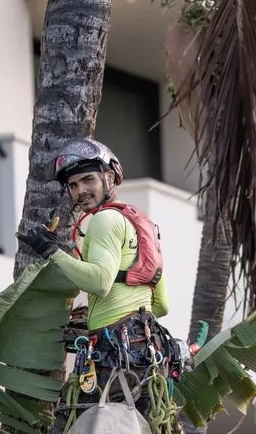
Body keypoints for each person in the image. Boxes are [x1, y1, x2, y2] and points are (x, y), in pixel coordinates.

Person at [18, 139, 187, 412]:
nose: (80, 191)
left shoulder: (104, 220)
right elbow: (161, 306)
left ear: (110, 177)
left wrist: (51, 251)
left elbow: (100, 282)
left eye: (87, 180)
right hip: (146, 355)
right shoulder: (140, 225)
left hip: (115, 358)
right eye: (73, 185)